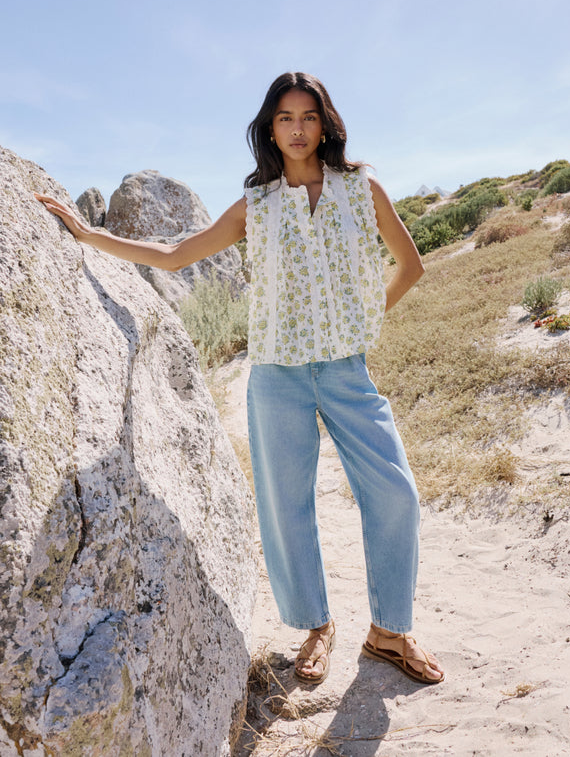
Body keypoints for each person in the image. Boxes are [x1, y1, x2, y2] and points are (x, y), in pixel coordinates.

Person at [36, 71, 444, 686]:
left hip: (345, 371)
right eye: (285, 118)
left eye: (309, 116)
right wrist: (92, 236)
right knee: (286, 506)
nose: (298, 129)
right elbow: (176, 254)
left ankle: (390, 631)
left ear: (326, 122)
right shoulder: (258, 204)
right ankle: (316, 626)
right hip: (275, 375)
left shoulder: (361, 190)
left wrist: (359, 323)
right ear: (270, 128)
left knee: (395, 493)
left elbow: (410, 267)